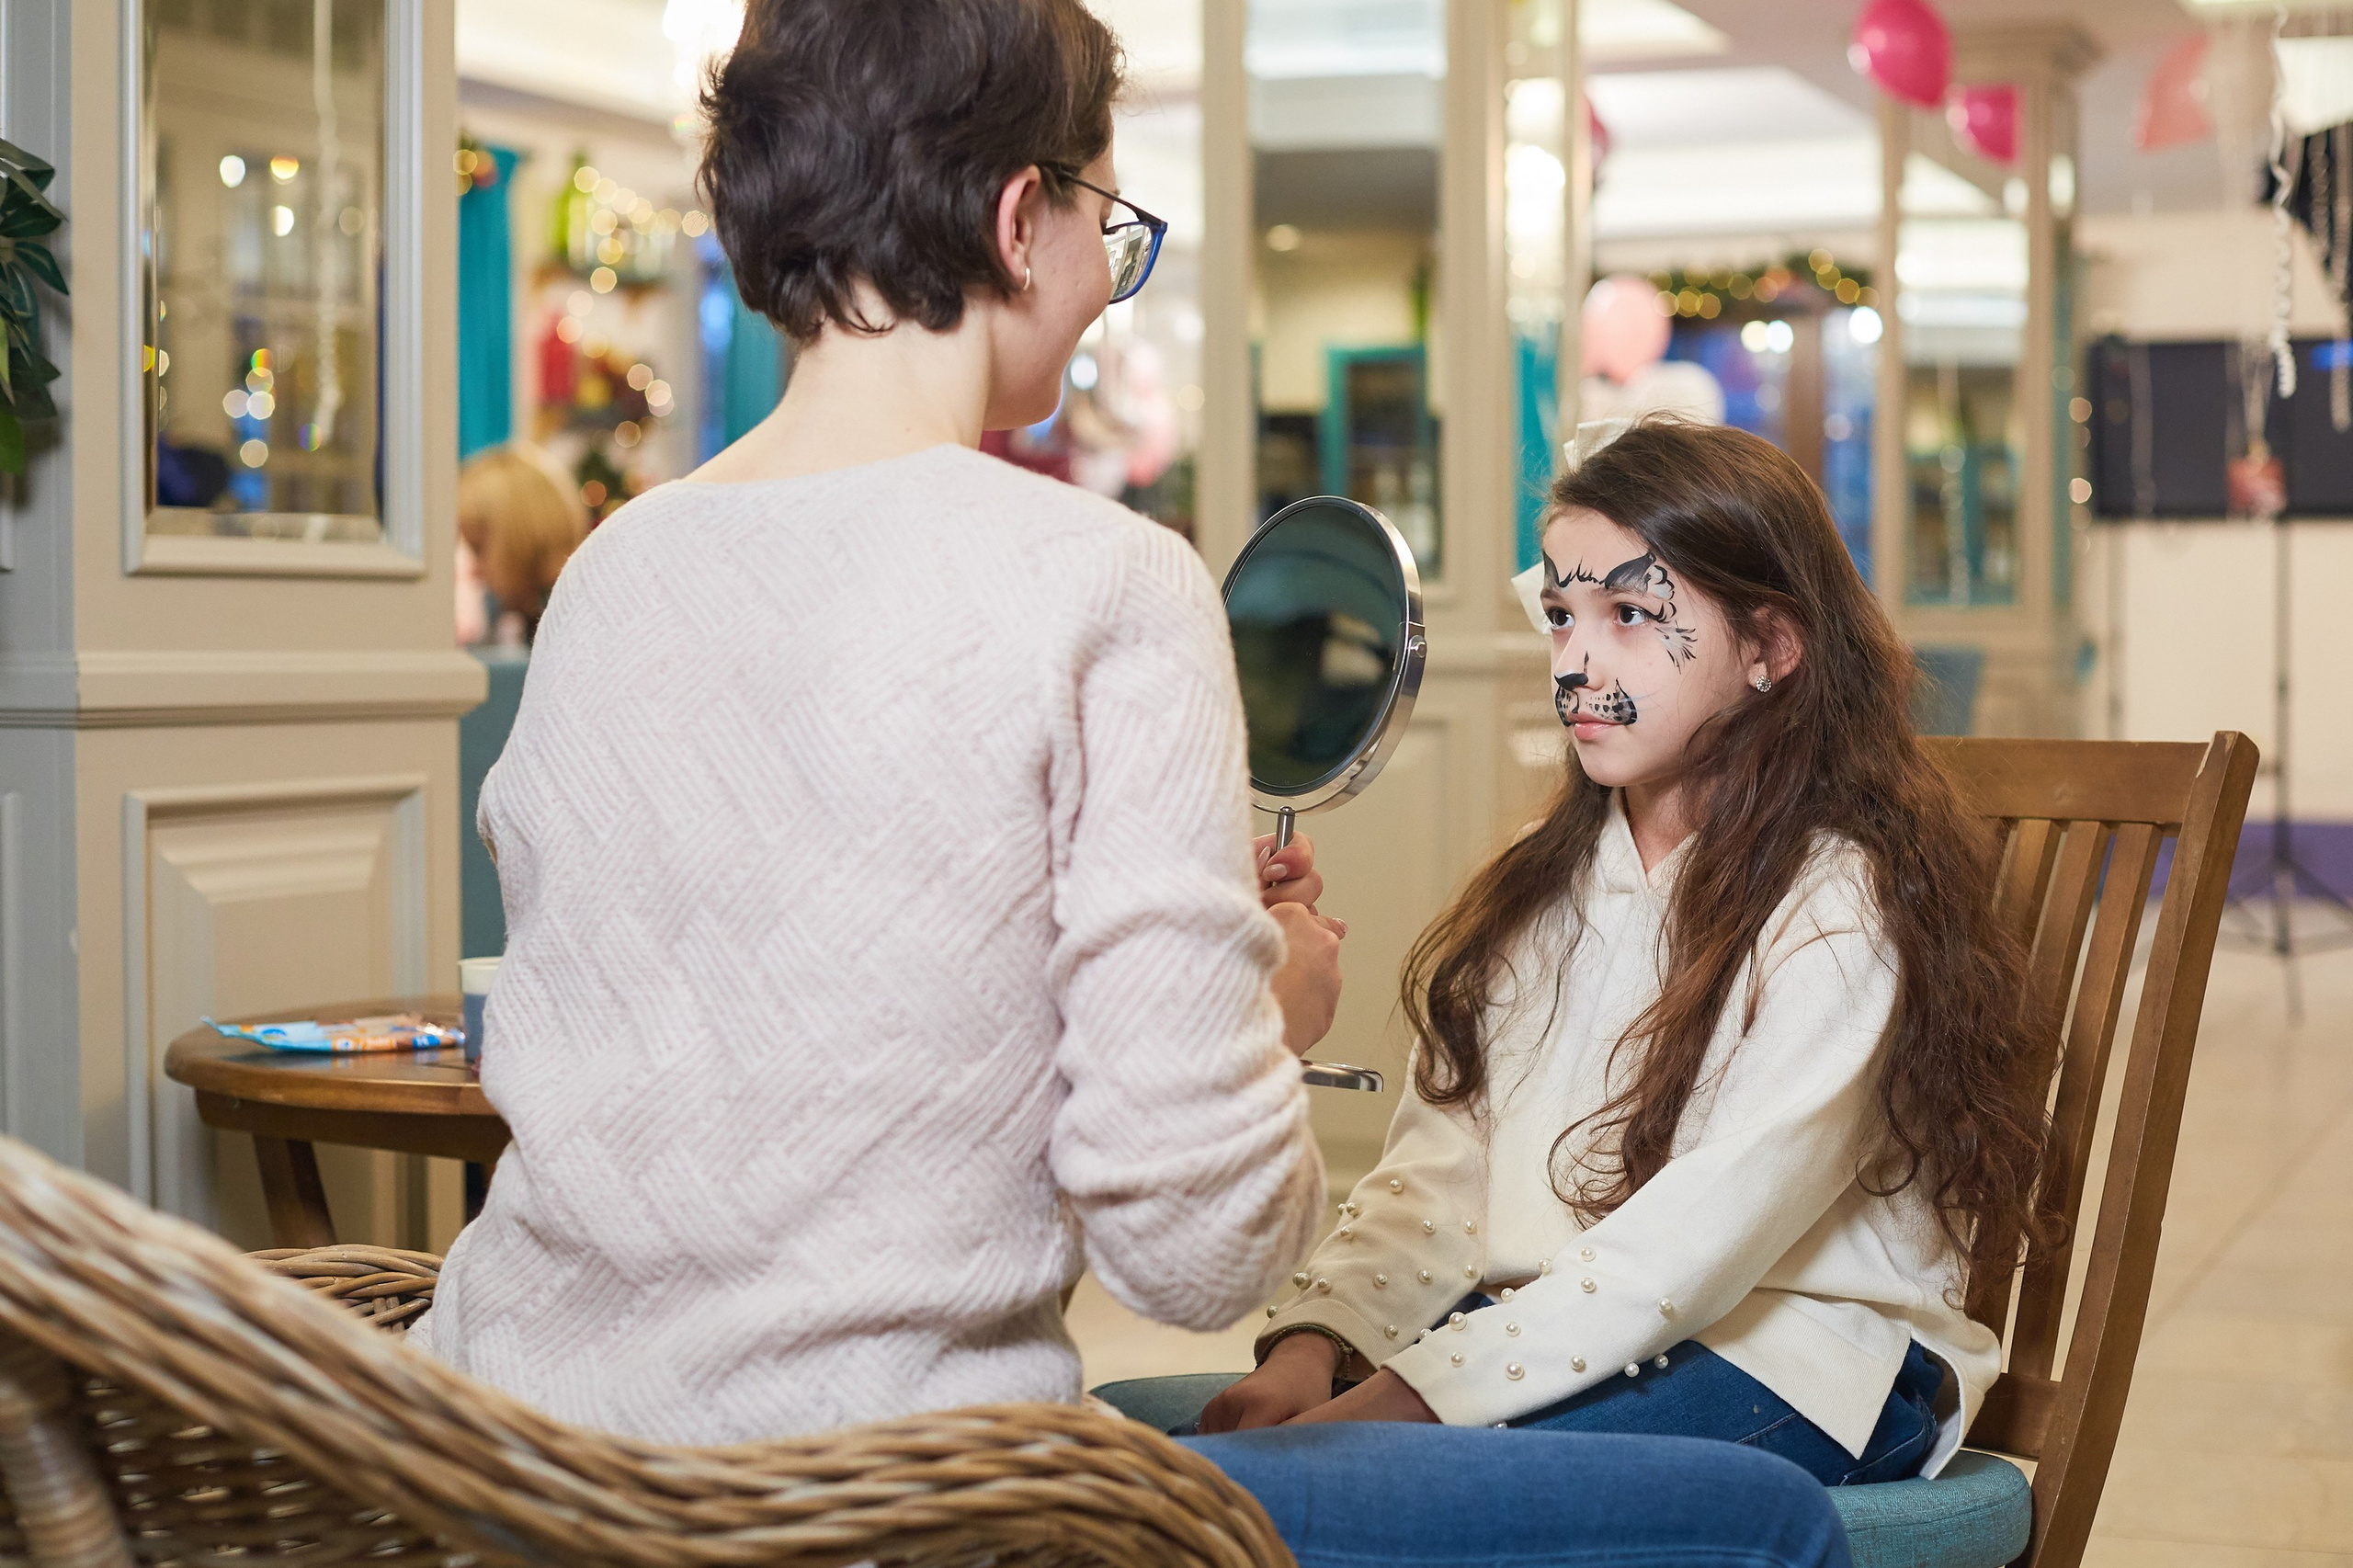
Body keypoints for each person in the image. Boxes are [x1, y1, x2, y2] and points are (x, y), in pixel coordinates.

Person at [409, 2, 1850, 1560]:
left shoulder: (619, 571)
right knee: (1767, 1528)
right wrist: (1265, 1010)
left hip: (511, 1471)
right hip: (901, 1506)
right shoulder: (1105, 580)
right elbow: (1194, 1247)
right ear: (1022, 217)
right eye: (1112, 220)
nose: (1107, 278)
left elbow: (810, 1012)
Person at [1190, 420, 2055, 1497]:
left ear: (1769, 648)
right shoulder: (1537, 882)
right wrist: (1314, 1346)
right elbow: (1437, 1172)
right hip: (1567, 1327)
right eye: (1560, 613)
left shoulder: (1842, 897)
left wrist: (1385, 1407)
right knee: (1261, 1475)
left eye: (1631, 615)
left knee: (1351, 1487)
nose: (1576, 661)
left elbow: (1686, 1245)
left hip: (1800, 1364)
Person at [455, 444, 587, 645]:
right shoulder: (527, 618)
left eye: (478, 548)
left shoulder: (573, 630)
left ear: (521, 543)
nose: (474, 570)